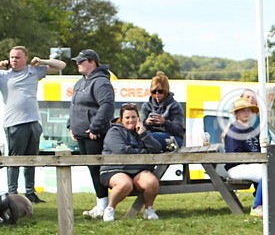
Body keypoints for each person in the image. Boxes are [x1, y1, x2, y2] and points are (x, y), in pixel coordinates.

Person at [0, 46, 65, 202]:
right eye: (12, 57)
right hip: (14, 123)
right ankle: (12, 193)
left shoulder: (33, 71)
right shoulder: (3, 75)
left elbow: (61, 65)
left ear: (26, 58)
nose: (14, 60)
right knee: (14, 160)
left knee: (32, 159)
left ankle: (30, 192)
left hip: (33, 121)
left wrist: (42, 61)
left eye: (17, 57)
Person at [68, 49, 116, 218]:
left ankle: (103, 206)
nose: (77, 64)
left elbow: (107, 105)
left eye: (81, 61)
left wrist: (95, 127)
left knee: (97, 170)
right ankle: (100, 203)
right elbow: (74, 106)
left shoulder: (101, 82)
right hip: (81, 134)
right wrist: (71, 126)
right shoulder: (80, 82)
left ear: (92, 62)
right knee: (92, 169)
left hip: (94, 135)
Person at [100, 103, 162, 222]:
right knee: (125, 184)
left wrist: (143, 134)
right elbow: (122, 151)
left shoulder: (141, 131)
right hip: (114, 169)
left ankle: (149, 209)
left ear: (138, 118)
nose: (130, 120)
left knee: (152, 182)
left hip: (137, 169)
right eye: (127, 117)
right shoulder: (114, 132)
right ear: (121, 119)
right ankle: (110, 208)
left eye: (133, 117)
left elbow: (157, 148)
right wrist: (144, 152)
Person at [223, 95, 264, 215]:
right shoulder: (234, 130)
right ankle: (257, 207)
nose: (246, 113)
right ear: (236, 113)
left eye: (249, 110)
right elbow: (233, 155)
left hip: (251, 165)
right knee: (265, 173)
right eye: (243, 110)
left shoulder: (253, 130)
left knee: (268, 170)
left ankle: (265, 204)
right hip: (236, 167)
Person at [139, 72, 185, 151]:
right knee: (142, 137)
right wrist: (146, 122)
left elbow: (179, 130)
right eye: (154, 91)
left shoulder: (175, 106)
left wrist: (164, 122)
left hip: (172, 137)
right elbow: (139, 127)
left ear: (166, 90)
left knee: (147, 138)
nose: (157, 94)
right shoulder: (146, 106)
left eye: (160, 91)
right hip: (150, 136)